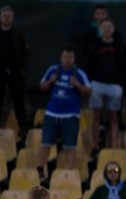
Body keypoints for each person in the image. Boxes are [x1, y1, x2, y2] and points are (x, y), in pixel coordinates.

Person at [37, 47, 92, 177]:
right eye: (65, 57)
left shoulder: (79, 73)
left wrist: (77, 84)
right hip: (52, 113)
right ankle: (40, 170)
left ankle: (67, 173)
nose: (67, 60)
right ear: (61, 58)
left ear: (74, 59)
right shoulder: (53, 70)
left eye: (70, 57)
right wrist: (50, 81)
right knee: (45, 143)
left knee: (70, 146)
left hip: (70, 115)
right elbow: (42, 86)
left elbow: (89, 92)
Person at [84, 19, 126, 150]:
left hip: (114, 85)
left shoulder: (120, 47)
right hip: (97, 84)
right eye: (104, 27)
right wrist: (90, 82)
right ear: (100, 29)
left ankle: (114, 147)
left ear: (113, 29)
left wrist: (122, 85)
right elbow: (88, 65)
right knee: (96, 116)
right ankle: (94, 146)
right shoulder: (94, 46)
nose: (107, 29)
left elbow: (125, 67)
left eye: (109, 26)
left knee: (113, 117)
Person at [0, 5, 31, 139]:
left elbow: (26, 53)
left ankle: (23, 128)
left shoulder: (19, 35)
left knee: (18, 101)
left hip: (15, 73)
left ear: (12, 18)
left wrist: (22, 71)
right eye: (4, 15)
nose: (7, 18)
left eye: (9, 16)